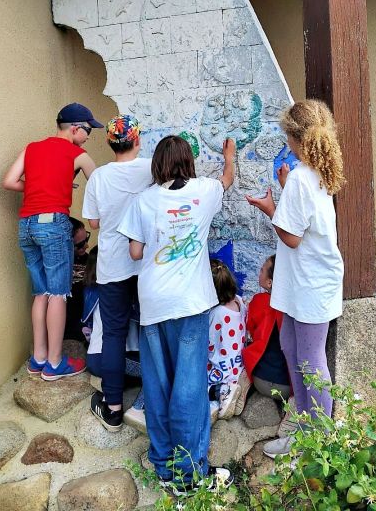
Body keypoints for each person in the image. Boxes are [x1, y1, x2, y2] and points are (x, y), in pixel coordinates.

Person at [118, 135, 236, 492]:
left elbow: (135, 252)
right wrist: (229, 155)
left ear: (158, 164)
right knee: (189, 386)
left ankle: (163, 465)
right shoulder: (204, 191)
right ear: (188, 161)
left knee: (157, 384)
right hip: (190, 301)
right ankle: (189, 474)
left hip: (154, 301)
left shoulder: (143, 200)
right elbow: (227, 179)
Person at [246, 100, 345, 458]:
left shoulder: (303, 178)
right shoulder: (314, 172)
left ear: (294, 138)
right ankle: (304, 426)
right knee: (291, 346)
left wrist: (271, 208)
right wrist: (286, 193)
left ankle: (318, 439)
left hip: (310, 284)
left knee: (311, 359)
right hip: (303, 281)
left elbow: (292, 237)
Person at [2, 102, 102, 380]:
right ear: (75, 129)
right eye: (88, 130)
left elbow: (9, 181)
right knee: (58, 293)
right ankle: (55, 364)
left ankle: (39, 358)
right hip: (53, 224)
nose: (89, 136)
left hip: (26, 225)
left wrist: (42, 185)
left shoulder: (32, 148)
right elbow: (101, 186)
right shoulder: (78, 154)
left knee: (41, 292)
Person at [82, 116, 152, 431]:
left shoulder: (99, 177)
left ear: (110, 143)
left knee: (113, 334)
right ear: (137, 140)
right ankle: (154, 400)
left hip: (113, 264)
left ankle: (112, 408)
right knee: (152, 329)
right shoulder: (151, 169)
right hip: (148, 262)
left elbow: (93, 223)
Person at [81, 246, 146, 433]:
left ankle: (111, 400)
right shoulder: (128, 291)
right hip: (122, 358)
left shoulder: (91, 291)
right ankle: (139, 406)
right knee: (159, 370)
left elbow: (86, 328)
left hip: (95, 357)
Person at [240, 255, 291, 410]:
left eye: (262, 270)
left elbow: (251, 329)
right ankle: (290, 406)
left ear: (269, 283)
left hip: (260, 381)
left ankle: (240, 390)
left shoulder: (259, 301)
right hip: (289, 387)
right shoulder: (292, 306)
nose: (259, 272)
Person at [207, 260, 246, 420]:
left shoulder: (216, 313)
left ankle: (222, 394)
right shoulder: (239, 301)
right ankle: (227, 393)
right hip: (237, 365)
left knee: (202, 383)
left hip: (222, 369)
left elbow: (209, 344)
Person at [64, 217, 90, 341]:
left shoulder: (90, 261)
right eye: (80, 245)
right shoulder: (57, 267)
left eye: (86, 239)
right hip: (65, 329)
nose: (87, 245)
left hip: (85, 326)